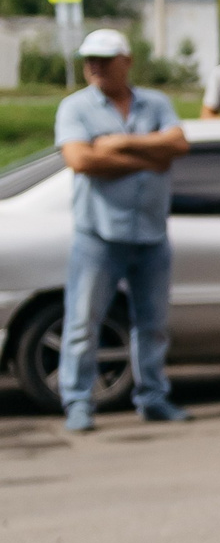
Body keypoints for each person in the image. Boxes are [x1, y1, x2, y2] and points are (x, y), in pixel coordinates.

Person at [53, 29, 191, 432]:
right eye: (89, 59)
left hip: (151, 235)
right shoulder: (75, 107)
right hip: (98, 235)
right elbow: (81, 160)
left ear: (126, 61)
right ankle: (78, 401)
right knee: (82, 324)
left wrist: (116, 144)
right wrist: (151, 155)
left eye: (103, 59)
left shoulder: (156, 102)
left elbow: (179, 146)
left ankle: (153, 398)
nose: (94, 66)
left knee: (152, 325)